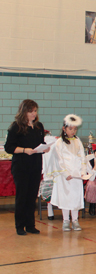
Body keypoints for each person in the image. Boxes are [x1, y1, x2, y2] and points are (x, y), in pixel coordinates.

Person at [5, 100, 47, 235]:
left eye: (35, 111)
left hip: (35, 165)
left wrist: (45, 147)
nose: (34, 114)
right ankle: (20, 226)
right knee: (22, 196)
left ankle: (30, 225)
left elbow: (41, 143)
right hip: (21, 166)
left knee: (32, 196)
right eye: (31, 111)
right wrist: (24, 150)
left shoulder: (39, 126)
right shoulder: (16, 127)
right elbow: (9, 147)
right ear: (24, 112)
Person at [50, 114, 87, 232]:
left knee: (75, 197)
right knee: (66, 197)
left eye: (75, 129)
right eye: (70, 129)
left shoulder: (77, 141)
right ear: (64, 128)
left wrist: (83, 171)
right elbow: (59, 159)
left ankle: (75, 220)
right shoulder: (59, 142)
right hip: (65, 176)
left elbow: (82, 157)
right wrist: (66, 173)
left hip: (76, 175)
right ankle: (66, 220)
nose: (73, 131)